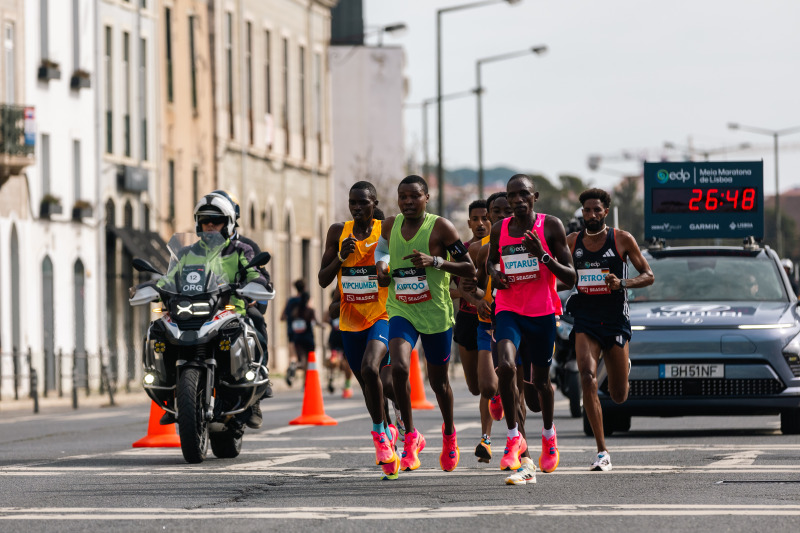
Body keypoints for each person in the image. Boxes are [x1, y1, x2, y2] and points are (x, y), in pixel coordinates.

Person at [375, 175, 477, 473]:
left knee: (439, 383)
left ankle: (449, 434)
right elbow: (381, 251)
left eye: (414, 196)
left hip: (435, 313)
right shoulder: (391, 225)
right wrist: (382, 267)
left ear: (426, 198)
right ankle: (409, 437)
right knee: (399, 369)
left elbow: (469, 268)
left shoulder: (441, 227)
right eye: (402, 196)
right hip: (400, 308)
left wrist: (435, 262)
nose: (407, 202)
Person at [486, 174, 576, 483]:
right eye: (513, 195)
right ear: (508, 199)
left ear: (534, 196)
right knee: (506, 366)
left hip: (542, 313)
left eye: (524, 194)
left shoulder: (550, 227)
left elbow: (572, 276)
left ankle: (549, 434)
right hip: (509, 309)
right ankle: (514, 437)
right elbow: (491, 263)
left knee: (539, 387)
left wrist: (543, 256)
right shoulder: (499, 229)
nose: (518, 199)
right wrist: (495, 276)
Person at [159, 193, 269, 427]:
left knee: (256, 324)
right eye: (205, 220)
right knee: (159, 330)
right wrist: (153, 286)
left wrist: (255, 284)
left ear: (228, 222)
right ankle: (172, 394)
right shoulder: (186, 252)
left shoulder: (242, 250)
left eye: (215, 220)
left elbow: (254, 272)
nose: (209, 225)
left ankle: (257, 391)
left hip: (231, 310)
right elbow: (169, 278)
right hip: (191, 311)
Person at [566, 188, 654, 472]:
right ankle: (602, 451)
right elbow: (560, 276)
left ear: (605, 211)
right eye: (586, 210)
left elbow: (648, 275)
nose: (590, 215)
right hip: (585, 318)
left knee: (618, 395)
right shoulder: (572, 242)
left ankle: (622, 366)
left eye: (596, 210)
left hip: (615, 319)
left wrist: (623, 284)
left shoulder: (622, 239)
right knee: (588, 377)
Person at [319, 181, 401, 479]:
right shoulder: (337, 232)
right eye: (352, 202)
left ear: (374, 203)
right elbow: (323, 279)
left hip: (382, 315)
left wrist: (385, 273)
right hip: (350, 321)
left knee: (370, 369)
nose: (356, 207)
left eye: (362, 203)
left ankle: (380, 436)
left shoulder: (386, 231)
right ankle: (388, 431)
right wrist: (341, 257)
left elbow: (394, 272)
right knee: (369, 386)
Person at [451, 199, 490, 449]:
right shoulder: (461, 250)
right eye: (475, 219)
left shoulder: (500, 248)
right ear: (468, 223)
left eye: (485, 218)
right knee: (475, 388)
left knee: (489, 384)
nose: (480, 223)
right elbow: (448, 288)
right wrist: (471, 299)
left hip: (493, 319)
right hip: (466, 319)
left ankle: (485, 439)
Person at [281, 279, 306, 386]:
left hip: (291, 329)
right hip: (304, 331)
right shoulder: (307, 300)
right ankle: (305, 383)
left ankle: (293, 364)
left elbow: (282, 317)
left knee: (293, 352)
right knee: (305, 355)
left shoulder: (290, 301)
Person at [289, 291, 316, 379]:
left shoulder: (296, 311)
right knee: (307, 360)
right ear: (308, 300)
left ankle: (295, 365)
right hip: (308, 338)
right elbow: (315, 321)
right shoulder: (310, 310)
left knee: (301, 358)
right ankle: (305, 380)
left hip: (298, 338)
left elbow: (291, 320)